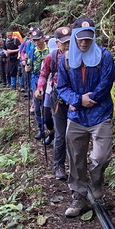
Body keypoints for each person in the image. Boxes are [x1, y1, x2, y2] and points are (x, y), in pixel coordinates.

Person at [57, 17, 115, 217]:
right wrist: (78, 99)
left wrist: (91, 98)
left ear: (93, 37)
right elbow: (61, 87)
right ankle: (79, 195)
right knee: (76, 158)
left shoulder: (105, 57)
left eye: (88, 38)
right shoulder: (65, 60)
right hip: (76, 116)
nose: (84, 42)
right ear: (74, 38)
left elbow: (106, 82)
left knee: (101, 156)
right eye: (80, 39)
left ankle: (97, 180)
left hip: (100, 113)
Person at [36, 26, 72, 180]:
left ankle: (78, 166)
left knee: (76, 134)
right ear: (57, 43)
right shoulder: (51, 57)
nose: (67, 45)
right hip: (57, 99)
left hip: (75, 99)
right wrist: (39, 88)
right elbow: (43, 74)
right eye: (64, 43)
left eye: (70, 42)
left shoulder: (79, 56)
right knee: (61, 133)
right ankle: (59, 165)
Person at [26, 28, 49, 140]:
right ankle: (41, 129)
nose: (36, 42)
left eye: (38, 39)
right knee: (37, 106)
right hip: (35, 79)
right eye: (34, 40)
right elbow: (29, 65)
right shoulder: (32, 52)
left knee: (47, 107)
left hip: (48, 81)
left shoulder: (50, 51)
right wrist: (27, 67)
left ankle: (50, 129)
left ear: (43, 38)